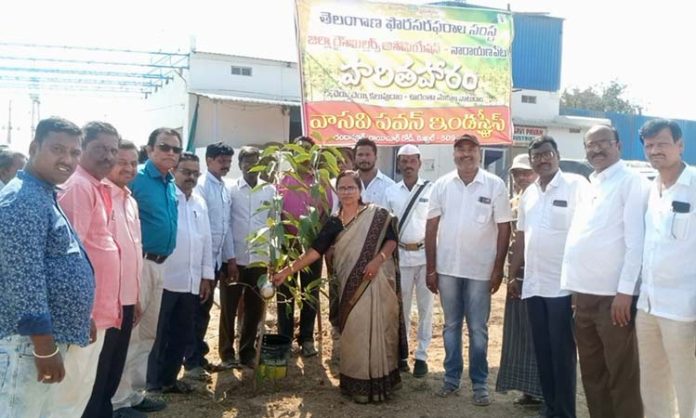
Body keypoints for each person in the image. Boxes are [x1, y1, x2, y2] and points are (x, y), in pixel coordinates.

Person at [273, 170, 405, 404]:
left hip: (376, 281)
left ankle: (379, 383)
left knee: (377, 329)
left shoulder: (377, 215)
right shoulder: (333, 223)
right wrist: (287, 271)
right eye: (342, 188)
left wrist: (377, 260)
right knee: (354, 331)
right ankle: (357, 384)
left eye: (351, 188)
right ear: (336, 191)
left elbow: (392, 239)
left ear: (359, 189)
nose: (346, 192)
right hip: (349, 286)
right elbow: (314, 252)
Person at [0, 117, 95, 417]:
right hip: (25, 344)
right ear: (33, 147)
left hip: (39, 341)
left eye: (75, 152)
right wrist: (43, 347)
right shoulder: (22, 200)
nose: (67, 159)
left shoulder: (42, 194)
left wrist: (81, 315)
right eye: (57, 149)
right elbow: (24, 280)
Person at [561, 125, 647, 418]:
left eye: (603, 143)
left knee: (622, 376)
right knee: (592, 372)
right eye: (590, 145)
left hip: (613, 299)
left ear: (618, 145)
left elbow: (636, 243)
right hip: (584, 295)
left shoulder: (630, 182)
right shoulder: (592, 183)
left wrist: (625, 292)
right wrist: (574, 289)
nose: (596, 149)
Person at [425, 134, 512, 406]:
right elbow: (431, 227)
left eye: (471, 149)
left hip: (480, 270)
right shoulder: (442, 185)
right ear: (454, 155)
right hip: (448, 268)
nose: (466, 154)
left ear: (479, 152)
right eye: (460, 150)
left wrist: (498, 269)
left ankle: (479, 383)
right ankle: (451, 379)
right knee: (451, 326)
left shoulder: (495, 185)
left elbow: (504, 228)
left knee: (478, 328)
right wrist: (431, 268)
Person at [508, 136, 589, 418]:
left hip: (563, 287)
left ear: (557, 155)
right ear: (531, 161)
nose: (543, 159)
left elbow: (585, 235)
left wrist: (579, 285)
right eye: (537, 156)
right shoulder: (529, 194)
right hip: (534, 285)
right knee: (542, 351)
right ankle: (550, 406)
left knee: (563, 353)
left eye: (547, 154)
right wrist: (513, 276)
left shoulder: (576, 185)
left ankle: (565, 412)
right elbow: (521, 238)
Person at [51, 121, 121, 417]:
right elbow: (68, 257)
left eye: (113, 150)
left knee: (81, 390)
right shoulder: (79, 187)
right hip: (84, 313)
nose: (108, 156)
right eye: (99, 149)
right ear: (82, 150)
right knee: (68, 395)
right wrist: (83, 312)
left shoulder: (95, 186)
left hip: (96, 311)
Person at [112, 128, 181, 415]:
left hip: (161, 265)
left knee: (148, 333)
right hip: (138, 263)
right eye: (164, 147)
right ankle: (116, 400)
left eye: (175, 149)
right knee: (131, 333)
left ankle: (133, 394)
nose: (170, 153)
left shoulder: (169, 182)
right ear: (150, 149)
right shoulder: (138, 178)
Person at [637, 119, 695, 418]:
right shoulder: (651, 190)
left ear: (680, 145)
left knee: (690, 389)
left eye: (662, 143)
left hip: (684, 311)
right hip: (648, 307)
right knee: (653, 386)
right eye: (649, 145)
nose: (655, 150)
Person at [147, 152, 214, 394]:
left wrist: (207, 276)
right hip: (165, 278)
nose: (191, 177)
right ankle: (153, 383)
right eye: (186, 172)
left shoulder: (199, 202)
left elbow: (206, 240)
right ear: (174, 171)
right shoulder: (167, 197)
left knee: (182, 332)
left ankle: (169, 380)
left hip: (190, 280)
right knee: (158, 332)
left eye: (196, 173)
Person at [96, 140, 145, 418]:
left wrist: (135, 297)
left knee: (114, 367)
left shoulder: (130, 201)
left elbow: (132, 251)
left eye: (133, 163)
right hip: (106, 303)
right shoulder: (101, 196)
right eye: (122, 161)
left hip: (127, 299)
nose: (128, 167)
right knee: (99, 371)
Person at [276, 136, 333, 357]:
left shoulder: (321, 182)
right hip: (287, 246)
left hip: (312, 245)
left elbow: (326, 214)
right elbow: (275, 214)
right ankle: (286, 338)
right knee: (286, 292)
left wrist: (317, 241)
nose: (303, 155)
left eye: (307, 150)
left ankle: (307, 338)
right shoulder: (282, 181)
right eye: (298, 151)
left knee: (310, 292)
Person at [495, 154, 544, 407]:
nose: (521, 178)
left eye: (526, 172)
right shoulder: (513, 202)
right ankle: (528, 389)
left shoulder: (542, 200)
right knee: (519, 334)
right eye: (516, 173)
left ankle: (542, 390)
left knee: (538, 334)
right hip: (517, 277)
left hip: (539, 278)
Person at [186, 142, 235, 376]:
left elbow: (225, 228)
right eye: (221, 161)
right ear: (209, 161)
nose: (225, 165)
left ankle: (198, 354)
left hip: (214, 262)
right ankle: (192, 361)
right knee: (195, 312)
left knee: (204, 312)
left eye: (228, 162)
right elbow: (203, 229)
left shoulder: (224, 188)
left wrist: (229, 259)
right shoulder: (202, 187)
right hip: (199, 262)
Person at [223, 146, 275, 368]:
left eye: (256, 161)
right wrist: (230, 259)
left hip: (260, 261)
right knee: (229, 308)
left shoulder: (270, 191)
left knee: (255, 308)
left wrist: (273, 258)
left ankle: (246, 352)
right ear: (240, 164)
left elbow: (274, 225)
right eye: (247, 162)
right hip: (235, 259)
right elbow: (226, 225)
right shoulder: (231, 190)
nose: (252, 166)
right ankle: (226, 354)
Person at [384, 144, 433, 378]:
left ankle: (422, 356)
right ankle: (401, 354)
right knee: (401, 309)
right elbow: (385, 227)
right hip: (401, 257)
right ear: (399, 164)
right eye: (403, 161)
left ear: (420, 163)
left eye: (412, 160)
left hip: (425, 258)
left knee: (426, 308)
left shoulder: (431, 190)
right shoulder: (391, 192)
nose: (408, 165)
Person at [354, 137, 395, 207]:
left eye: (368, 155)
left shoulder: (390, 186)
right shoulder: (348, 183)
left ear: (375, 157)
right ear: (355, 157)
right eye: (360, 155)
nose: (364, 158)